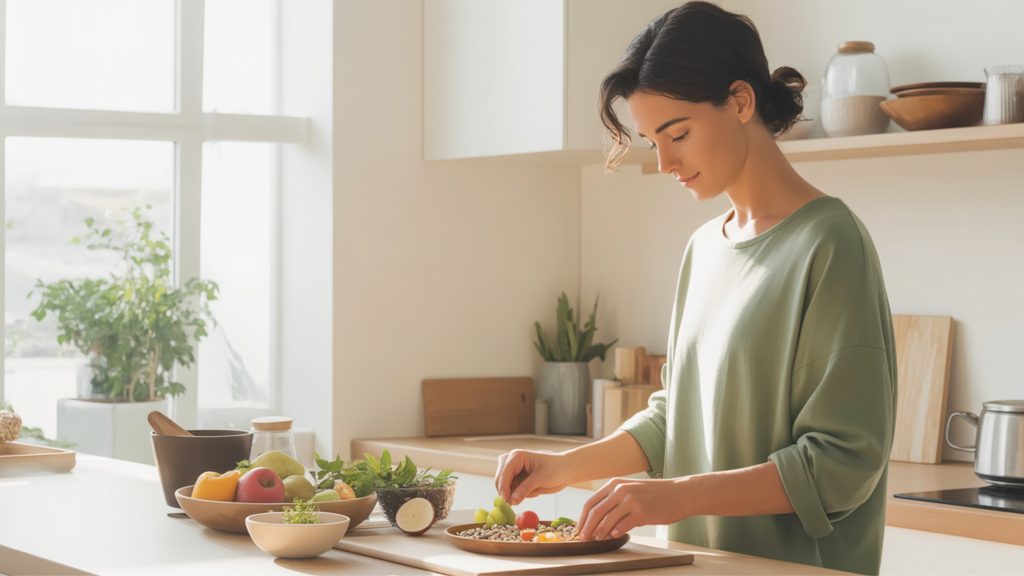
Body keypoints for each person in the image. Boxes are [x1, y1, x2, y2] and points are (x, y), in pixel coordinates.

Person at [494, 3, 897, 574]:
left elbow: (841, 465)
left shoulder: (831, 245)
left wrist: (676, 496)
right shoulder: (705, 249)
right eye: (651, 140)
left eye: (677, 133)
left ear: (740, 102)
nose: (664, 163)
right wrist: (562, 467)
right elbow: (675, 416)